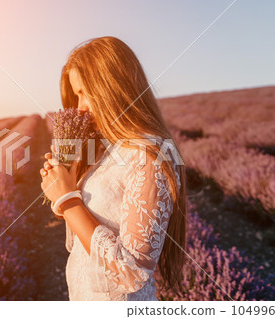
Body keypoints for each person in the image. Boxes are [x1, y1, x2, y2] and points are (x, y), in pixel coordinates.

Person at [40, 36, 187, 301]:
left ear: (112, 87)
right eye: (76, 95)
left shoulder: (149, 155)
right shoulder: (108, 148)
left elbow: (132, 273)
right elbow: (85, 235)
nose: (80, 106)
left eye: (85, 92)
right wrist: (64, 187)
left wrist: (68, 201)